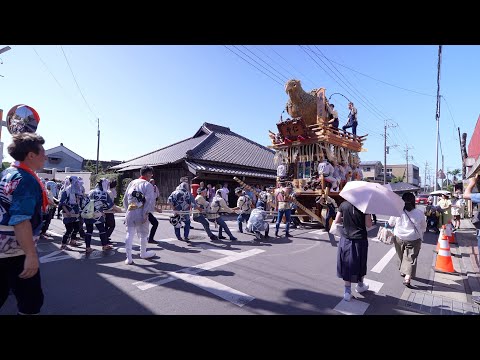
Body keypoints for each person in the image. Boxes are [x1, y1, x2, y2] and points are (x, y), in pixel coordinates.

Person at [0, 133, 47, 314]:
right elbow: (20, 220)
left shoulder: (7, 173)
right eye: (42, 151)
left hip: (4, 249)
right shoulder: (25, 179)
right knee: (31, 302)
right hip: (15, 250)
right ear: (31, 155)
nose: (45, 156)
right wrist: (31, 254)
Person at [333, 200, 372, 301]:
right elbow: (369, 224)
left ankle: (347, 292)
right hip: (360, 239)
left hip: (346, 239)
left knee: (346, 264)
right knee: (360, 262)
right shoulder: (365, 206)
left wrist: (346, 219)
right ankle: (360, 285)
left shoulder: (343, 204)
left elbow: (337, 220)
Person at [388, 192, 427, 288]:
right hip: (414, 238)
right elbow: (423, 227)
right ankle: (407, 277)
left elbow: (391, 223)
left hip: (399, 237)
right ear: (414, 201)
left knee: (400, 255)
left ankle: (403, 271)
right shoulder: (419, 213)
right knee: (410, 258)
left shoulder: (397, 211)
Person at [123, 166, 157, 265]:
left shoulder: (132, 183)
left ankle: (128, 258)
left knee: (129, 233)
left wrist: (127, 211)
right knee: (143, 234)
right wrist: (145, 214)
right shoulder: (148, 185)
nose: (151, 175)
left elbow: (125, 199)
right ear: (147, 174)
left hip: (130, 211)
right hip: (141, 211)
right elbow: (149, 201)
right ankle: (143, 253)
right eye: (151, 174)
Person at [83, 178, 115, 253]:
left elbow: (84, 203)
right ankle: (104, 245)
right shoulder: (103, 193)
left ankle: (87, 247)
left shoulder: (91, 192)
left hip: (88, 213)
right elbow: (110, 206)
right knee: (102, 230)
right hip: (97, 214)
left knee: (89, 231)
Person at [167, 177, 193, 241]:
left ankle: (178, 236)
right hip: (185, 212)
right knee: (187, 223)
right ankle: (186, 236)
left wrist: (174, 208)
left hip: (177, 211)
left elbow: (169, 201)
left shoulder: (174, 192)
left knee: (177, 223)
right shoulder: (188, 193)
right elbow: (192, 203)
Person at [147, 178, 159, 244]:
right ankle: (150, 239)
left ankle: (149, 238)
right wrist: (157, 209)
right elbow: (148, 202)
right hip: (146, 210)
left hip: (148, 210)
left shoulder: (154, 188)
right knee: (155, 223)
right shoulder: (148, 190)